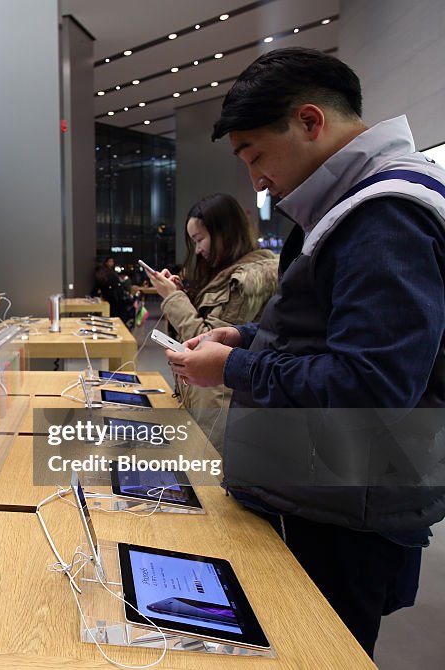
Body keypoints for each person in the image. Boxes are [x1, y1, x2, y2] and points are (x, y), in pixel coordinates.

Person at [166, 47, 445, 656]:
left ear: (311, 122)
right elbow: (326, 334)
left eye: (256, 155)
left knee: (313, 653)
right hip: (319, 488)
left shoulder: (386, 215)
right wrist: (247, 337)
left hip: (342, 502)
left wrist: (236, 366)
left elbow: (371, 384)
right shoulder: (352, 206)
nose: (257, 180)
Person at [146, 193, 278, 450]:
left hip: (221, 410)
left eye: (199, 239)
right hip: (210, 402)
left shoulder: (247, 279)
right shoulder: (228, 273)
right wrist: (182, 295)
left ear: (225, 233)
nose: (197, 249)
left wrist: (174, 299)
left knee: (208, 484)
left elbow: (207, 345)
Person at [92, 256, 136, 325]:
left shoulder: (106, 273)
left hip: (111, 298)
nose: (112, 263)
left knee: (111, 317)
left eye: (112, 261)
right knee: (115, 317)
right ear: (106, 262)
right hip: (114, 299)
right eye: (110, 261)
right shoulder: (109, 273)